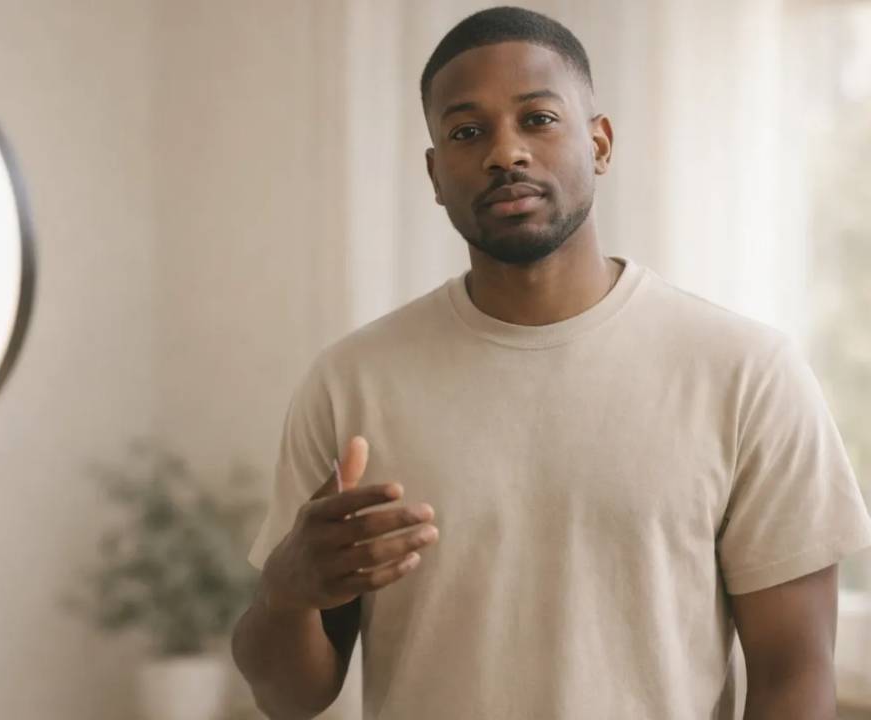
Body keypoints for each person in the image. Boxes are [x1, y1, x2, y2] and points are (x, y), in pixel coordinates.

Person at [230, 5, 871, 719]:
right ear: (435, 173)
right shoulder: (351, 382)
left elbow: (795, 675)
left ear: (599, 142)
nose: (506, 153)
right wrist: (285, 594)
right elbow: (290, 698)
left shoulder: (747, 372)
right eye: (467, 132)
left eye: (537, 119)